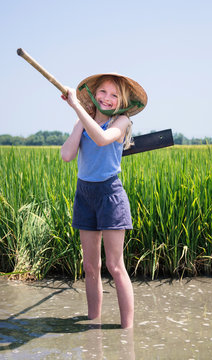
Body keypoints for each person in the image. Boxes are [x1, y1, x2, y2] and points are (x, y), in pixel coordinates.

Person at [60, 73, 147, 328]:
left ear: (121, 102)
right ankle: (93, 324)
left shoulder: (121, 122)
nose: (107, 98)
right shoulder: (83, 121)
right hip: (84, 195)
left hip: (110, 196)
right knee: (90, 266)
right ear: (94, 94)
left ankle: (126, 331)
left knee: (114, 265)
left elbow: (101, 138)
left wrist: (76, 105)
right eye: (103, 92)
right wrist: (80, 117)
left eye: (114, 95)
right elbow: (67, 155)